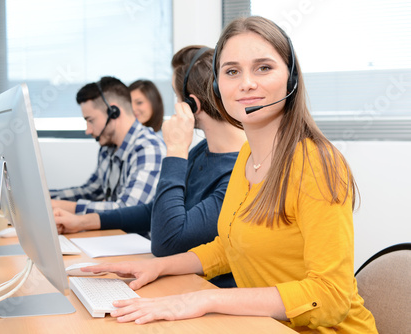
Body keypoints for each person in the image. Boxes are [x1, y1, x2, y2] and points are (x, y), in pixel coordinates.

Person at [79, 16, 378, 333]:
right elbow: (228, 246)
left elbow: (331, 295)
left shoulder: (316, 163)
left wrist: (207, 300)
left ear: (290, 79)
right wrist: (156, 267)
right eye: (232, 71)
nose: (246, 83)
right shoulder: (248, 155)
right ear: (217, 87)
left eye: (264, 67)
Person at [53, 46, 247, 288]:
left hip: (209, 293)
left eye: (177, 98)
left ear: (191, 104)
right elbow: (151, 211)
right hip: (182, 284)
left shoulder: (242, 169)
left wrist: (176, 149)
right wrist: (82, 222)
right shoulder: (202, 152)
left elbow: (167, 243)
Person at [50, 76, 166, 215]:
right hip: (114, 234)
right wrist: (45, 198)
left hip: (136, 236)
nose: (88, 130)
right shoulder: (107, 148)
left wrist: (67, 207)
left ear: (113, 113)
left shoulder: (149, 148)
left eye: (90, 120)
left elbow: (129, 209)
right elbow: (92, 191)